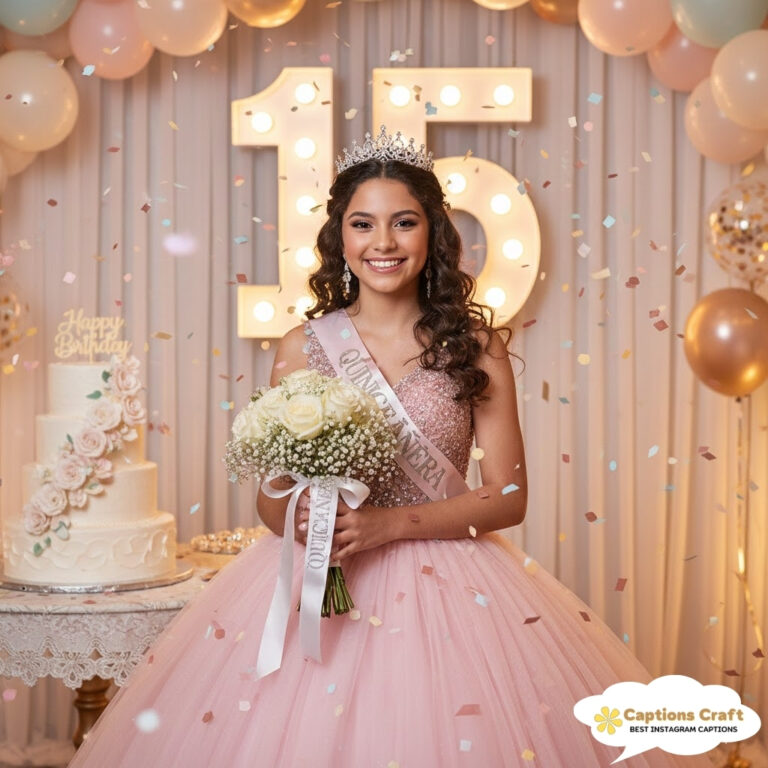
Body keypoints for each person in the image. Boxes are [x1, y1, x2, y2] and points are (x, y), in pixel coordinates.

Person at [68, 129, 714, 767]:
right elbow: (271, 502)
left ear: (432, 233)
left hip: (455, 593)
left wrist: (385, 525)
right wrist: (296, 514)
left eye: (403, 223)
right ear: (338, 237)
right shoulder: (301, 346)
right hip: (323, 576)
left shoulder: (474, 347)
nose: (382, 242)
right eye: (363, 224)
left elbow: (509, 497)